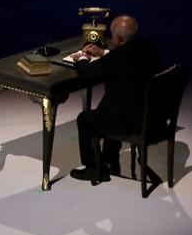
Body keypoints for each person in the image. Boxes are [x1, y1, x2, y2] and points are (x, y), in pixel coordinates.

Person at [69, 15, 161, 182]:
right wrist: (104, 53)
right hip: (151, 116)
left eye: (112, 35)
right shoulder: (148, 47)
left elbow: (87, 74)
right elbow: (127, 59)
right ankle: (111, 162)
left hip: (132, 122)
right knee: (112, 107)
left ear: (118, 38)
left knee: (85, 119)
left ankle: (94, 168)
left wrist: (83, 57)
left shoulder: (118, 58)